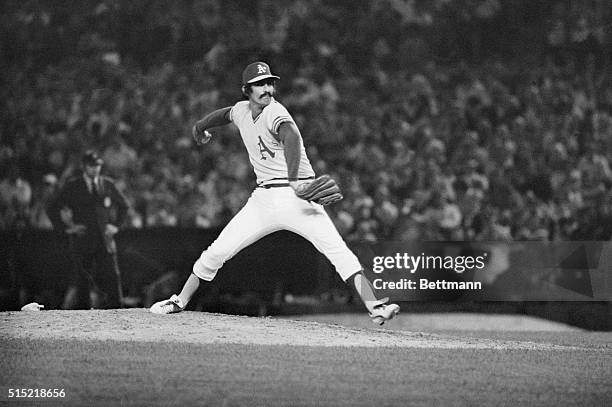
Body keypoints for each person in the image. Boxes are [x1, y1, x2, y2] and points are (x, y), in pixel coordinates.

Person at [151, 62, 399, 325]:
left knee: (339, 252)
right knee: (217, 251)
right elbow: (225, 114)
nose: (267, 88)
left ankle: (375, 307)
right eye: (260, 84)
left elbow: (290, 136)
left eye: (270, 83)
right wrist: (201, 126)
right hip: (264, 200)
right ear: (246, 90)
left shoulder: (275, 111)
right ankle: (180, 300)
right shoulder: (241, 111)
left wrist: (295, 182)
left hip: (298, 196)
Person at [48, 150, 129, 309]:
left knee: (112, 277)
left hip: (104, 239)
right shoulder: (73, 185)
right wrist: (67, 228)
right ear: (84, 166)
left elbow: (124, 206)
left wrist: (116, 226)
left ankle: (118, 310)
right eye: (91, 166)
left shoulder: (107, 184)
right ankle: (83, 314)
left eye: (97, 166)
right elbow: (53, 208)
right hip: (83, 239)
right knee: (82, 280)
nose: (95, 169)